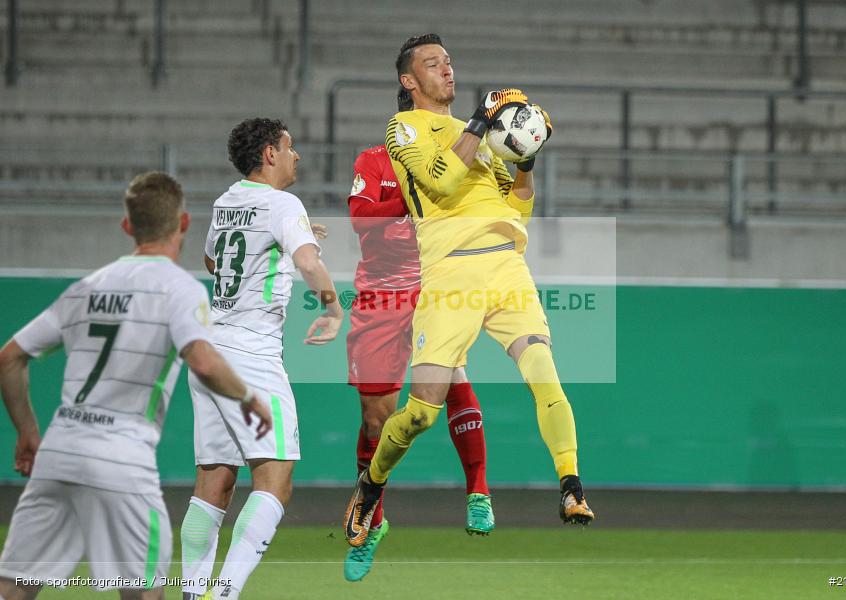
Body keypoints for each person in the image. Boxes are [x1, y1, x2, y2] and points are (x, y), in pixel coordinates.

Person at [343, 34, 594, 548]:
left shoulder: (479, 136)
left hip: (506, 266)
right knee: (421, 413)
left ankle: (571, 486)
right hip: (449, 273)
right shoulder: (404, 128)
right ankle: (371, 484)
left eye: (449, 62)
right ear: (409, 80)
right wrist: (481, 119)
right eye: (433, 64)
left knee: (544, 374)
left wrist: (526, 157)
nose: (447, 70)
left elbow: (518, 209)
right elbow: (439, 180)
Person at [0, 172, 272, 600]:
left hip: (59, 451)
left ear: (127, 226)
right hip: (122, 458)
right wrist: (248, 397)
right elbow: (203, 360)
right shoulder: (180, 290)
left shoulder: (85, 289)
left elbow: (9, 358)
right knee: (144, 591)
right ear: (184, 223)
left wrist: (27, 433)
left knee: (15, 587)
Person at [180, 119, 343, 600]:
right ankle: (225, 593)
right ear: (270, 153)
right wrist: (334, 309)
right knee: (275, 478)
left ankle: (193, 591)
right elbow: (310, 262)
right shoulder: (282, 204)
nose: (297, 156)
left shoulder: (226, 202)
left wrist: (282, 242)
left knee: (213, 482)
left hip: (210, 348)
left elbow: (213, 262)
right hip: (251, 354)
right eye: (290, 147)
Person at [342, 89, 494, 581]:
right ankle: (373, 519)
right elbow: (360, 217)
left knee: (453, 378)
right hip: (381, 298)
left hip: (435, 286)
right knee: (376, 420)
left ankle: (478, 492)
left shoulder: (454, 158)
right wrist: (408, 203)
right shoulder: (374, 159)